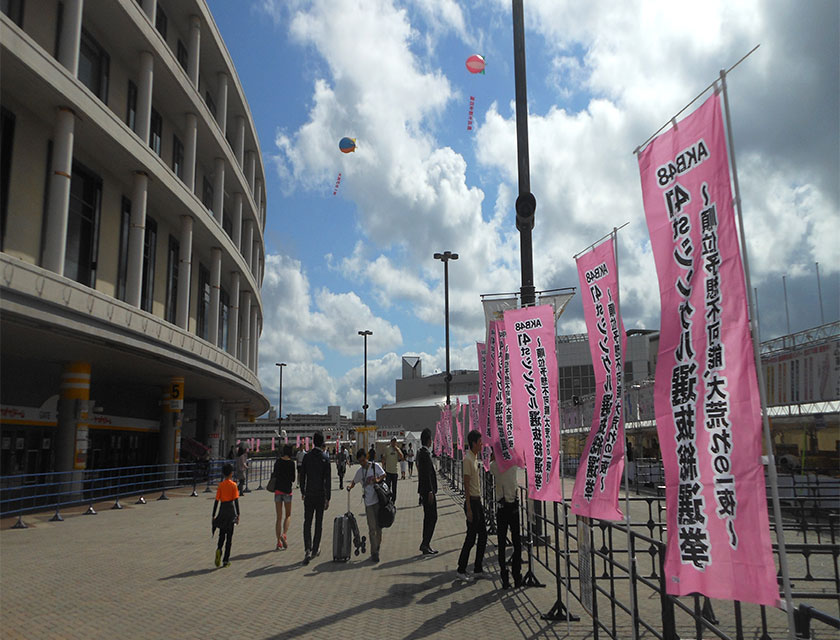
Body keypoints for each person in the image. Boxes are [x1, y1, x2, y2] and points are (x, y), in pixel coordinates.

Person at [456, 430, 487, 582]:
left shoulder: (474, 458)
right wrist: (468, 508)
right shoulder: (468, 459)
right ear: (474, 443)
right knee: (471, 537)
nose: (482, 445)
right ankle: (461, 569)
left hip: (478, 501)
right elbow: (466, 485)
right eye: (480, 442)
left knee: (483, 535)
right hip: (472, 502)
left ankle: (478, 568)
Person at [347, 448, 386, 563]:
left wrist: (377, 479)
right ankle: (374, 552)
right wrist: (350, 487)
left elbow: (384, 475)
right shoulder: (360, 471)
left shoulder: (375, 466)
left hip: (378, 501)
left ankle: (377, 546)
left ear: (367, 458)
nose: (362, 463)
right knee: (372, 528)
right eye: (360, 462)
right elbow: (354, 481)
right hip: (368, 503)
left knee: (379, 528)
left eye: (363, 460)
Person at [489, 451, 521, 589]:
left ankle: (504, 576)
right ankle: (517, 574)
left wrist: (494, 456)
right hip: (513, 507)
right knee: (517, 542)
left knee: (502, 543)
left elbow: (490, 466)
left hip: (502, 508)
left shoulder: (495, 466)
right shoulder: (513, 464)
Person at [300, 431, 331, 565]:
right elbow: (328, 480)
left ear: (313, 442)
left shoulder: (307, 457)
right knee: (319, 522)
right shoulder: (325, 458)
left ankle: (307, 547)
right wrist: (328, 497)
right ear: (322, 442)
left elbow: (302, 476)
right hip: (320, 494)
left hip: (309, 494)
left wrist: (302, 490)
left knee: (307, 521)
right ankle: (315, 548)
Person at [212, 463, 240, 568]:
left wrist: (213, 515)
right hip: (231, 511)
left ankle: (219, 549)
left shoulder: (221, 485)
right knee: (229, 538)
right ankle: (226, 560)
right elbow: (236, 501)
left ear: (223, 473)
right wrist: (238, 514)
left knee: (221, 534)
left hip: (222, 510)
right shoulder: (233, 485)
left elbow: (216, 501)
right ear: (231, 473)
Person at [416, 428, 438, 555]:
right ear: (429, 440)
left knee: (429, 517)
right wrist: (430, 490)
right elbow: (425, 474)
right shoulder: (424, 454)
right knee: (432, 517)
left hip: (426, 490)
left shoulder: (422, 453)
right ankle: (425, 543)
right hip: (428, 491)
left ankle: (426, 543)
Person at [273, 444, 296, 550]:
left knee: (278, 517)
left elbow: (275, 475)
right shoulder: (291, 463)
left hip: (278, 490)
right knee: (288, 515)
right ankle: (284, 534)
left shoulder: (277, 462)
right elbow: (293, 479)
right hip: (287, 491)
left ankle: (278, 542)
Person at [382, 437, 404, 503]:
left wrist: (397, 450)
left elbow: (402, 457)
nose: (394, 443)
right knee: (387, 487)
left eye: (395, 441)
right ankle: (387, 499)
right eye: (393, 441)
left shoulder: (397, 449)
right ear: (391, 442)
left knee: (394, 488)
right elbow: (384, 458)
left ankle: (393, 500)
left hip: (394, 471)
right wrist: (383, 467)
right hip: (388, 471)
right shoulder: (387, 448)